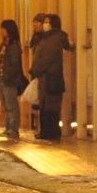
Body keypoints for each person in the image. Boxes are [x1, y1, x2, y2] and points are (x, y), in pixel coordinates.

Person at [30, 13, 71, 141]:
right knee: (44, 105)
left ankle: (51, 132)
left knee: (50, 107)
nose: (44, 24)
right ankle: (45, 132)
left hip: (51, 78)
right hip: (46, 77)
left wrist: (36, 70)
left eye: (47, 21)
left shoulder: (54, 38)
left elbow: (47, 58)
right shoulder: (46, 38)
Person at [0, 19, 26, 140]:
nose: (2, 31)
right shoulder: (4, 45)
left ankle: (13, 129)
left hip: (10, 80)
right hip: (2, 78)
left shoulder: (14, 46)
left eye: (4, 28)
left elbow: (14, 64)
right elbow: (2, 61)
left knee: (11, 105)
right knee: (6, 105)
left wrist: (7, 75)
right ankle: (8, 128)